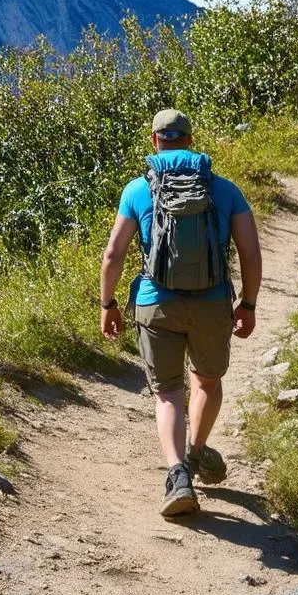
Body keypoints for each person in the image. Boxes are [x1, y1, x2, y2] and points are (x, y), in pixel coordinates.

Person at [99, 108, 262, 517]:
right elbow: (251, 253)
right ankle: (196, 451)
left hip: (157, 304)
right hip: (212, 304)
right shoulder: (225, 190)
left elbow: (113, 254)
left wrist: (109, 304)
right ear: (190, 141)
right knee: (206, 381)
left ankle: (177, 476)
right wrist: (248, 303)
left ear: (154, 141)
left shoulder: (137, 190)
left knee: (168, 391)